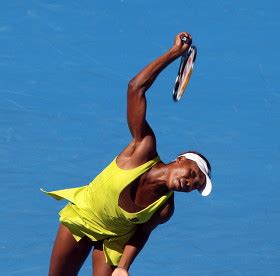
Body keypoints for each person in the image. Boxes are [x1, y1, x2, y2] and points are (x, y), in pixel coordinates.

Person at [42, 32, 212, 276]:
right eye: (194, 175)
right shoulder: (142, 148)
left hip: (113, 240)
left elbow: (141, 234)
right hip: (83, 217)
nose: (191, 184)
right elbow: (136, 88)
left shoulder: (164, 209)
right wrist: (174, 53)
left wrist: (123, 267)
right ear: (180, 159)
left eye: (196, 186)